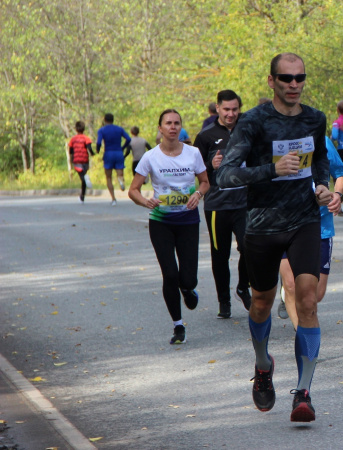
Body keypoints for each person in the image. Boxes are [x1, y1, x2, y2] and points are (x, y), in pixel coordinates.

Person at [216, 52, 338, 422]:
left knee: (308, 301)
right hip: (262, 224)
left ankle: (304, 393)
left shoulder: (315, 118)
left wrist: (322, 185)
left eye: (300, 77)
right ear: (272, 81)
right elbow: (225, 176)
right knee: (261, 303)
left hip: (304, 220)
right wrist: (271, 169)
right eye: (286, 78)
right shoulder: (253, 121)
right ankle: (263, 364)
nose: (294, 84)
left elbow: (320, 160)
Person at [127, 109, 209, 345]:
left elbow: (205, 182)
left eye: (177, 123)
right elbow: (133, 190)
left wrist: (198, 194)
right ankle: (178, 325)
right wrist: (145, 201)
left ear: (181, 127)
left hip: (188, 221)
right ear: (160, 128)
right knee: (170, 274)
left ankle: (188, 288)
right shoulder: (150, 157)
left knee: (188, 279)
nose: (173, 127)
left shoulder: (193, 153)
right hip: (161, 222)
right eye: (168, 123)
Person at [276, 136, 343, 326]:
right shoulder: (274, 138)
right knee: (291, 285)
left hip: (319, 226)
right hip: (283, 223)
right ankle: (302, 334)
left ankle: (292, 298)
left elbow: (341, 173)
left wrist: (338, 195)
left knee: (316, 294)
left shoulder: (321, 141)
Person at [193, 89, 251, 319]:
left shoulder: (248, 128)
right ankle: (224, 301)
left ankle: (243, 287)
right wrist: (211, 164)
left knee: (250, 247)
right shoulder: (206, 136)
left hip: (245, 202)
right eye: (226, 109)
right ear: (217, 108)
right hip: (218, 205)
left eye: (235, 109)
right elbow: (196, 170)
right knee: (220, 255)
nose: (230, 114)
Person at [96, 113, 131, 206]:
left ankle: (113, 199)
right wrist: (123, 147)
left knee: (108, 177)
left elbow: (99, 142)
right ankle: (121, 181)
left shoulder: (102, 130)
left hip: (108, 153)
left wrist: (97, 150)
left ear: (105, 120)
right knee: (120, 173)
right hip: (118, 153)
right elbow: (128, 139)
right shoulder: (119, 129)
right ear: (113, 120)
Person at [68, 121, 95, 203]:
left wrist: (72, 159)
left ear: (76, 129)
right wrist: (92, 154)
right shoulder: (86, 138)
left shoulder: (73, 139)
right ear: (84, 129)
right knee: (84, 177)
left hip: (77, 160)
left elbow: (70, 151)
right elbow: (89, 147)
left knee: (82, 179)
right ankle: (82, 196)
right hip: (85, 160)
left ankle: (82, 196)